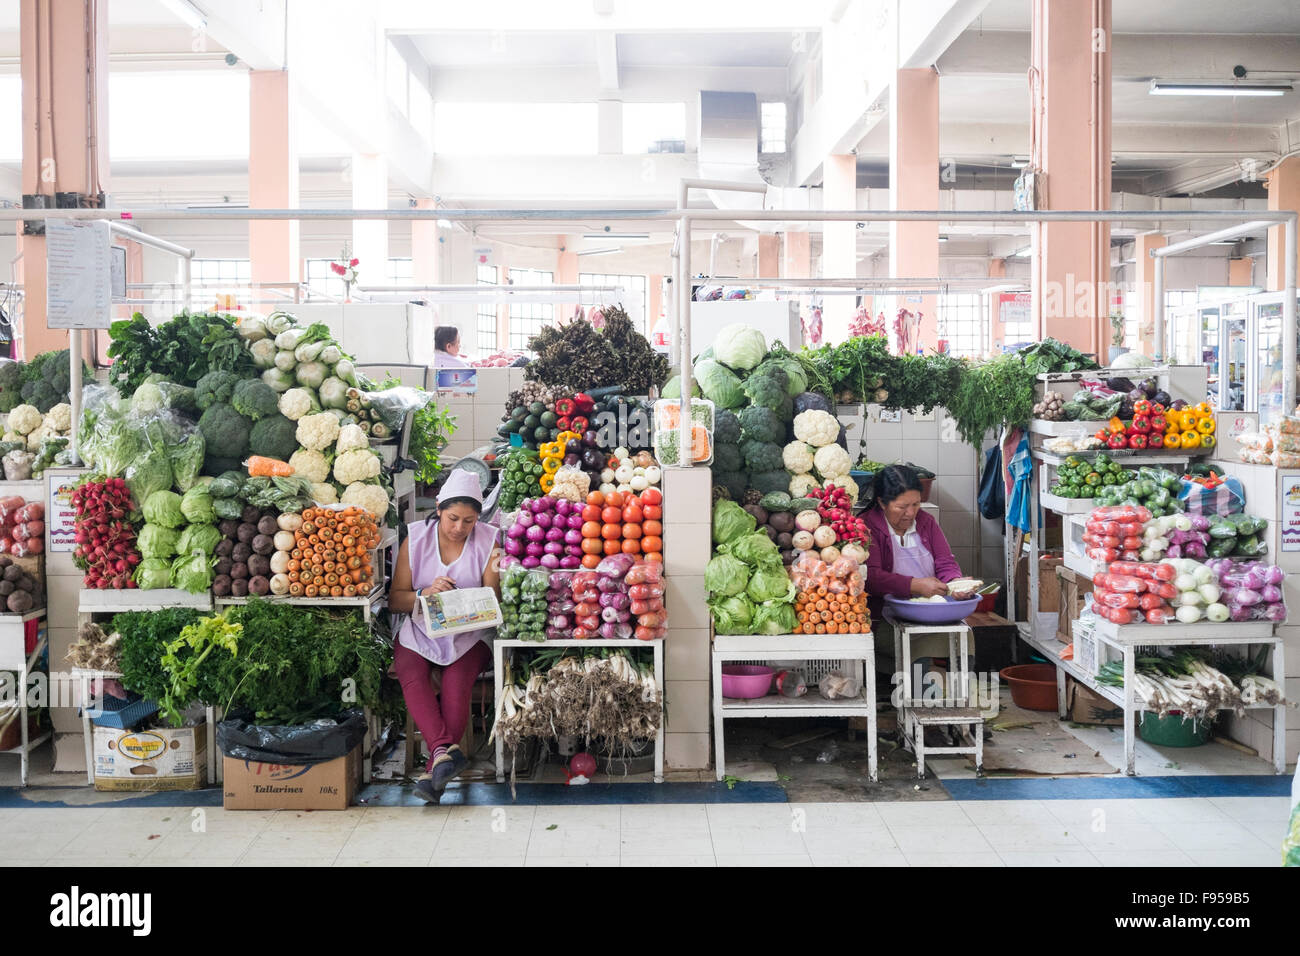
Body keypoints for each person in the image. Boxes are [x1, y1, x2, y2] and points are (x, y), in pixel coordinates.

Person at [388, 469, 500, 802]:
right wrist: (425, 593)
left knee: (456, 681)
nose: (459, 528)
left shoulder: (490, 540)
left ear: (478, 518)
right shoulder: (416, 539)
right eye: (452, 518)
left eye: (469, 521)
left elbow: (493, 600)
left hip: (470, 634)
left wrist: (464, 601)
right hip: (422, 630)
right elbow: (397, 599)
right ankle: (442, 755)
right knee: (411, 671)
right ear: (438, 508)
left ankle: (435, 762)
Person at [863, 464, 974, 620]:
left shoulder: (926, 521)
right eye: (902, 506)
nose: (910, 513)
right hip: (885, 618)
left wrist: (954, 582)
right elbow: (871, 577)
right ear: (882, 503)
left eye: (916, 504)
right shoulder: (866, 526)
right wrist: (915, 586)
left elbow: (945, 562)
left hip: (934, 613)